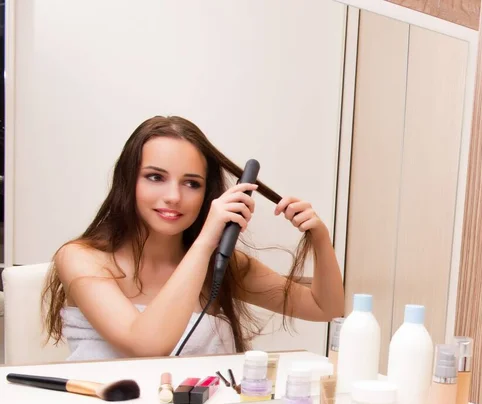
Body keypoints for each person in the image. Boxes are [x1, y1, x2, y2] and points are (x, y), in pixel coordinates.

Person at [42, 116, 344, 360]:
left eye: (191, 183)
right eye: (155, 177)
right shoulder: (81, 258)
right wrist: (204, 243)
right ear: (128, 181)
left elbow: (325, 308)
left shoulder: (222, 265)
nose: (173, 197)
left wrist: (320, 239)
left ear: (206, 193)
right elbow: (145, 345)